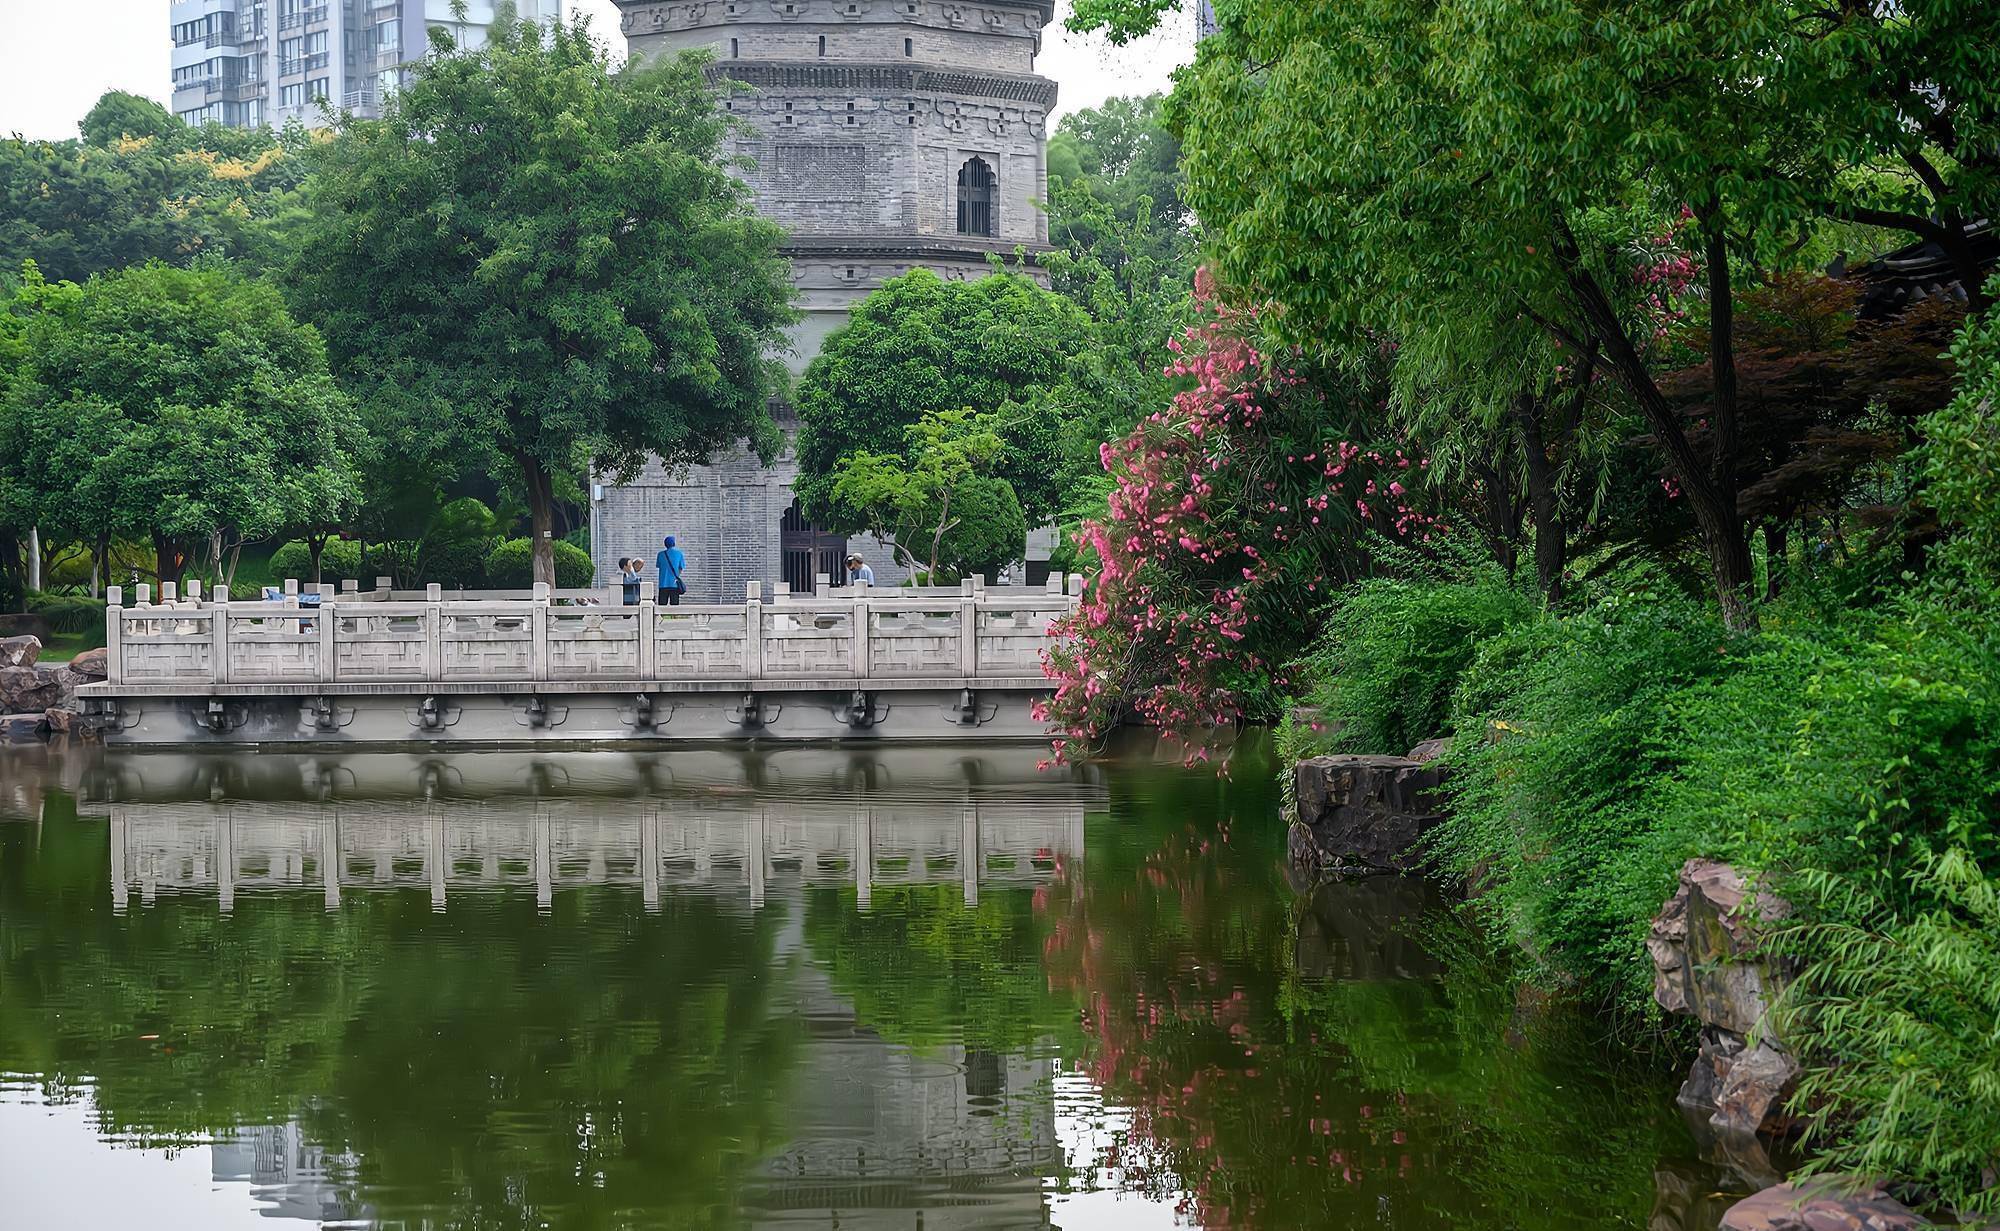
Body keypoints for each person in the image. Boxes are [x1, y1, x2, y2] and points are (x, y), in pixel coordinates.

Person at [655, 535, 687, 606]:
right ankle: (674, 617)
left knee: (662, 606)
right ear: (674, 543)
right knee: (674, 606)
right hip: (674, 584)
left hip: (663, 584)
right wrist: (676, 576)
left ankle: (661, 617)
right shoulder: (679, 554)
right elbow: (681, 567)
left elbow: (659, 565)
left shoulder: (660, 554)